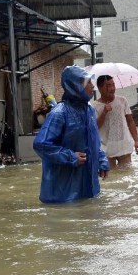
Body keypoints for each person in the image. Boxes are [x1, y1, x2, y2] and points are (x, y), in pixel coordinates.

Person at [33, 65, 109, 203]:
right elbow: (41, 144)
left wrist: (101, 160)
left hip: (89, 189)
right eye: (88, 83)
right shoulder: (59, 113)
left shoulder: (89, 111)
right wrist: (69, 156)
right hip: (61, 194)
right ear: (76, 86)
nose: (93, 86)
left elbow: (94, 141)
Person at [93, 75, 138, 168]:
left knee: (126, 176)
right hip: (106, 147)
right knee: (110, 177)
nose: (112, 88)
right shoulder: (94, 106)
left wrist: (136, 141)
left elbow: (130, 121)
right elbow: (95, 127)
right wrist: (104, 112)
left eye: (113, 85)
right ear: (100, 88)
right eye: (108, 86)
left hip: (124, 144)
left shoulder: (122, 101)